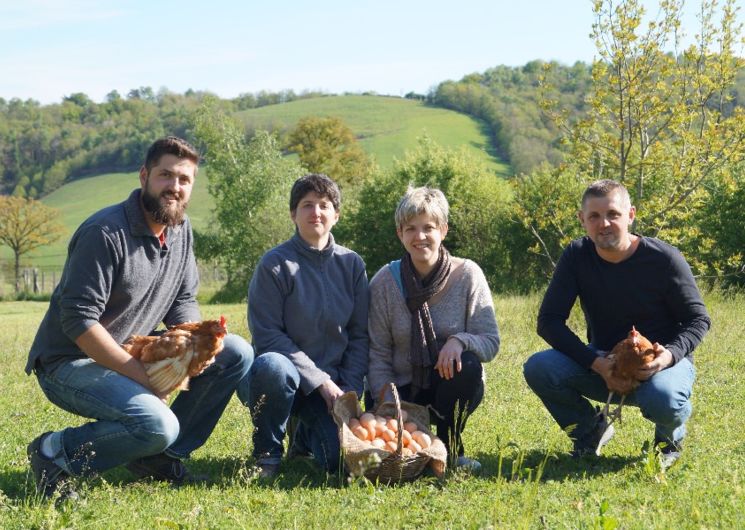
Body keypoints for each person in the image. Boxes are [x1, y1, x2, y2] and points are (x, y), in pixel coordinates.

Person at [25, 136, 254, 499]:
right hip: (70, 362)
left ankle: (159, 460)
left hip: (133, 350)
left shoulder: (180, 229)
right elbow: (79, 321)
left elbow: (183, 300)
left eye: (184, 180)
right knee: (156, 423)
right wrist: (146, 379)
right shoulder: (105, 233)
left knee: (235, 352)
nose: (174, 187)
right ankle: (54, 453)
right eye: (166, 176)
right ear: (144, 176)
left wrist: (190, 348)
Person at [523, 179, 710, 468]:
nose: (604, 224)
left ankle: (667, 443)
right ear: (582, 220)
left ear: (631, 215)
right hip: (604, 361)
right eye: (594, 216)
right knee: (540, 368)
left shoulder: (664, 259)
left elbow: (698, 319)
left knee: (664, 396)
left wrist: (668, 357)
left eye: (613, 214)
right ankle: (590, 431)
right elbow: (549, 321)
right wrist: (596, 363)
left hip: (660, 364)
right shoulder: (576, 256)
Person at [238, 173, 369, 478]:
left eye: (324, 205)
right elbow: (268, 336)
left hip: (334, 387)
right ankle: (267, 454)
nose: (316, 213)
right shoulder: (274, 265)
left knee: (339, 463)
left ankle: (303, 436)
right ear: (293, 214)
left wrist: (347, 391)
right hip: (279, 382)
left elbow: (360, 335)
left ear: (336, 215)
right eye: (307, 205)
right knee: (273, 365)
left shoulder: (352, 265)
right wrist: (320, 381)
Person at [367, 186, 500, 473]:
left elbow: (490, 341)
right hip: (402, 388)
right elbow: (377, 353)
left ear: (443, 230)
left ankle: (451, 447)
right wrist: (389, 402)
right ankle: (416, 448)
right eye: (411, 229)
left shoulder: (467, 275)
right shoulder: (384, 283)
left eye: (429, 227)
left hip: (450, 384)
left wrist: (460, 341)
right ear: (399, 233)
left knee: (468, 364)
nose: (420, 236)